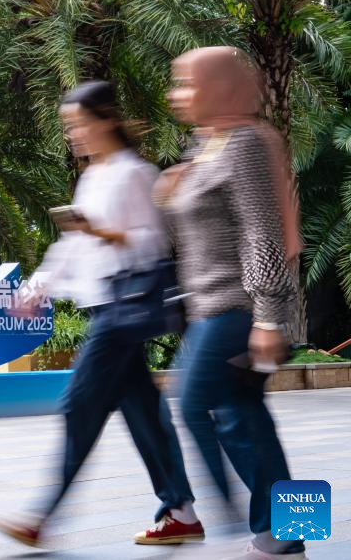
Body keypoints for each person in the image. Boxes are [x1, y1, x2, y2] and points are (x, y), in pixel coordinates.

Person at [0, 81, 202, 547]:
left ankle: (40, 516)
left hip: (123, 309)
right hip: (106, 306)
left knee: (79, 405)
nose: (73, 134)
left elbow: (151, 242)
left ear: (106, 119)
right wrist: (35, 288)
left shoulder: (135, 173)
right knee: (143, 413)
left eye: (79, 124)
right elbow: (72, 246)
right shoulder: (92, 176)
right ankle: (181, 511)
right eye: (69, 127)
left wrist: (101, 232)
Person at [159, 47, 304, 559]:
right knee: (244, 416)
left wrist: (267, 317)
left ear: (221, 87)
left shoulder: (244, 143)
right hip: (209, 309)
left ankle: (246, 519)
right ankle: (284, 533)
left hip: (237, 307)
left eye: (187, 83)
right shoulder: (208, 146)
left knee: (196, 403)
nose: (176, 95)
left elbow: (262, 232)